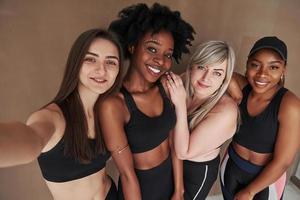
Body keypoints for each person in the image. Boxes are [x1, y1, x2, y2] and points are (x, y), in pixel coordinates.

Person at [0, 29, 124, 200]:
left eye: (111, 62)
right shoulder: (52, 118)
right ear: (76, 63)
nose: (101, 70)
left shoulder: (106, 110)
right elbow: (31, 137)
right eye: (90, 59)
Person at [99, 3, 195, 200]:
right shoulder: (114, 105)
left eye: (168, 55)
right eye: (152, 49)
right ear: (132, 46)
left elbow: (172, 142)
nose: (160, 61)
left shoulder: (165, 87)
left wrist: (178, 190)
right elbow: (127, 174)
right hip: (141, 190)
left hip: (170, 178)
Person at [220, 36, 300, 200]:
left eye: (274, 67)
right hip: (231, 167)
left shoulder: (290, 105)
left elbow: (283, 161)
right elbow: (216, 66)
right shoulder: (241, 86)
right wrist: (235, 94)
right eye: (255, 65)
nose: (262, 74)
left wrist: (250, 191)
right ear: (247, 64)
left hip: (266, 181)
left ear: (283, 69)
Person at [165, 41, 238, 199]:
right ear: (192, 66)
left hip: (196, 172)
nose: (206, 78)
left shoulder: (226, 111)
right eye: (202, 67)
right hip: (170, 160)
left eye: (217, 73)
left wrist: (179, 104)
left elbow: (183, 152)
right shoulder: (187, 80)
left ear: (224, 79)